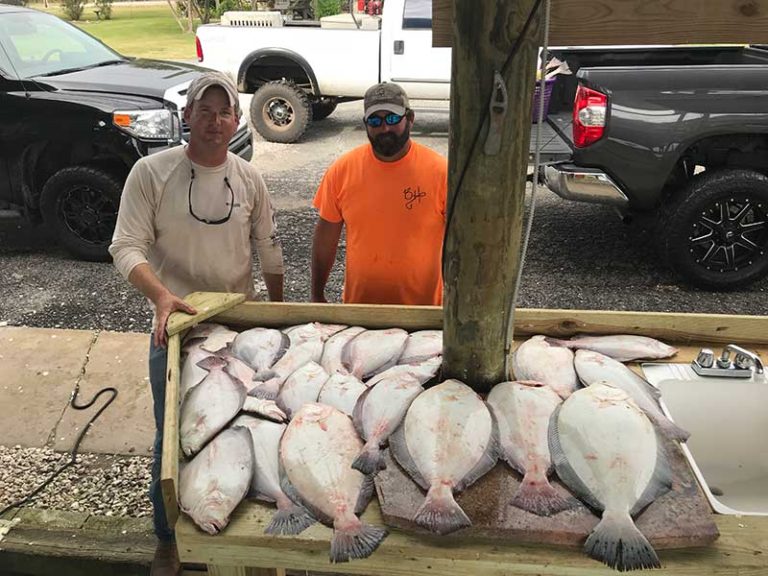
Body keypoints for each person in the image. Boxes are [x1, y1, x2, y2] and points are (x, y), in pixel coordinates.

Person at [109, 70, 284, 575]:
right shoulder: (151, 173)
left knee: (247, 430)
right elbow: (124, 246)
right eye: (202, 112)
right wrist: (161, 297)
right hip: (179, 327)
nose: (214, 122)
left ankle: (241, 532)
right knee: (175, 438)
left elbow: (269, 247)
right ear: (185, 116)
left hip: (240, 330)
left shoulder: (249, 178)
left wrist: (278, 313)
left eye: (223, 111)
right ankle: (169, 540)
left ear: (236, 119)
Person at [311, 82, 447, 305]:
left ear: (410, 119)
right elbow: (326, 238)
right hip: (360, 310)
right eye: (375, 120)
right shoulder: (341, 170)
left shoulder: (441, 172)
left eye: (393, 119)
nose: (385, 128)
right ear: (365, 124)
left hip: (423, 312)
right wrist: (317, 294)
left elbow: (461, 245)